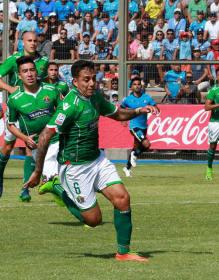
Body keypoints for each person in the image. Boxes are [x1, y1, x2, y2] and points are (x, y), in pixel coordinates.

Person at [24, 60, 159, 261]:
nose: (91, 84)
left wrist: (139, 111)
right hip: (74, 168)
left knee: (123, 199)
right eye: (86, 80)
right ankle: (57, 187)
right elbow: (44, 136)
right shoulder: (69, 106)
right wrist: (37, 170)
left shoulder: (95, 97)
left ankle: (123, 252)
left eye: (93, 79)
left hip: (97, 160)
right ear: (74, 82)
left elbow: (117, 114)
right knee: (94, 220)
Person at [0, 31, 49, 201]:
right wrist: (9, 89)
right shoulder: (13, 59)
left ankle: (25, 190)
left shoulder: (44, 61)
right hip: (16, 107)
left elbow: (46, 83)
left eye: (35, 40)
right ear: (22, 42)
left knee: (31, 148)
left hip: (36, 108)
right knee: (8, 147)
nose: (33, 43)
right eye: (29, 40)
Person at [6, 56, 64, 206]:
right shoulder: (14, 99)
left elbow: (65, 111)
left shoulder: (52, 90)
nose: (29, 74)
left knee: (66, 178)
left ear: (37, 71)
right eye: (25, 71)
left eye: (32, 70)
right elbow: (10, 124)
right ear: (19, 75)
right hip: (37, 145)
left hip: (59, 140)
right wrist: (24, 138)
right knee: (56, 181)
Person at [121, 77, 159, 178]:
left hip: (143, 126)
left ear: (141, 86)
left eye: (138, 84)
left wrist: (153, 109)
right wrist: (123, 120)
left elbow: (157, 109)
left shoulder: (147, 97)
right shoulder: (128, 99)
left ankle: (127, 168)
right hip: (134, 126)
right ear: (131, 87)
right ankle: (134, 154)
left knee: (136, 147)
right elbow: (121, 109)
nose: (137, 86)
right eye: (135, 84)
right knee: (147, 144)